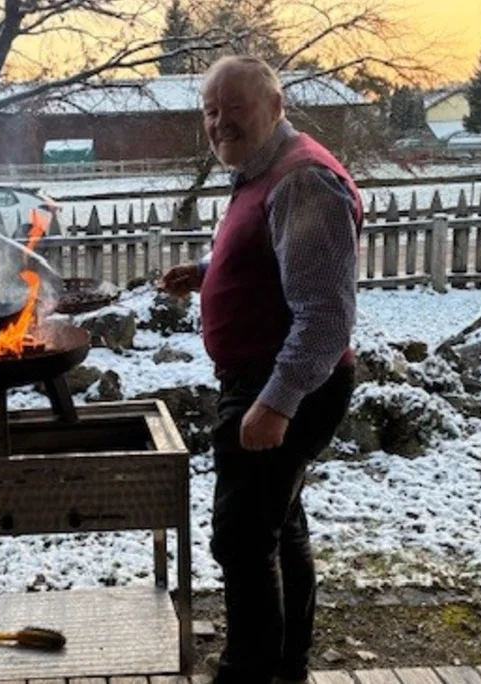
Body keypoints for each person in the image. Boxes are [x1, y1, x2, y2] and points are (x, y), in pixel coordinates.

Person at [159, 55, 360, 684]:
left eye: (234, 108)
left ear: (276, 105)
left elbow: (326, 316)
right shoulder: (264, 172)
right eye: (210, 112)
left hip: (280, 384)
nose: (219, 123)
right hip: (265, 380)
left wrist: (276, 402)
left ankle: (247, 674)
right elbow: (276, 261)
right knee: (278, 527)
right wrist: (210, 273)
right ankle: (286, 669)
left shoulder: (300, 180)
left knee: (242, 540)